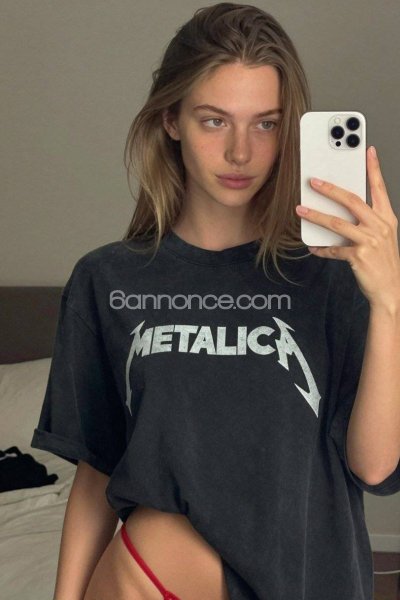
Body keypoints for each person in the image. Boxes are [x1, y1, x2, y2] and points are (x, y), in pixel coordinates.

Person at [31, 3, 400, 600]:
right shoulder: (107, 280)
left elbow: (375, 467)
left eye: (265, 124)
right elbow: (98, 472)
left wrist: (388, 302)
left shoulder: (334, 277)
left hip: (309, 582)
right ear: (171, 119)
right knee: (156, 532)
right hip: (164, 576)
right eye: (213, 121)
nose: (240, 153)